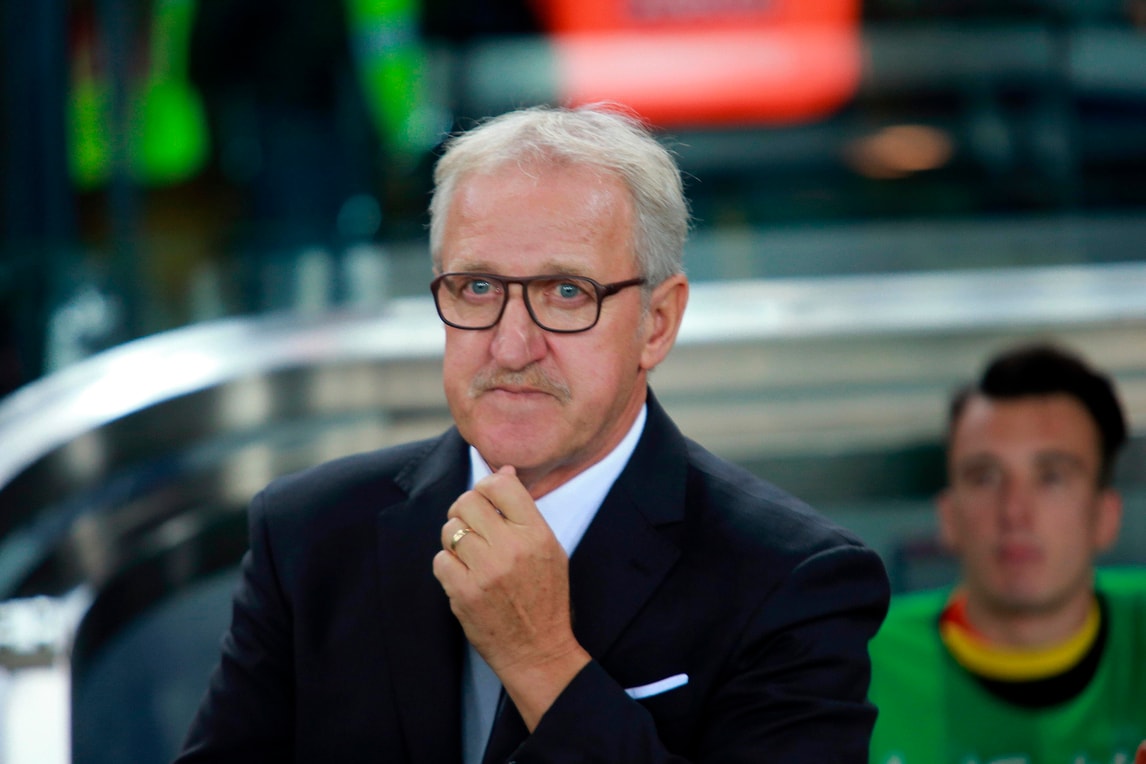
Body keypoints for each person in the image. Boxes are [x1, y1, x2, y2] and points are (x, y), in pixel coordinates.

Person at [175, 104, 890, 763]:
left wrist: (543, 662)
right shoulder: (308, 533)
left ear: (657, 323)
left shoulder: (795, 580)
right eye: (478, 288)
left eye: (566, 293)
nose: (512, 345)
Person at [868, 343, 1146, 763]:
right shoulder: (855, 665)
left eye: (1051, 477)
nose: (1015, 511)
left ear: (1106, 516)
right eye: (985, 477)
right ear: (949, 515)